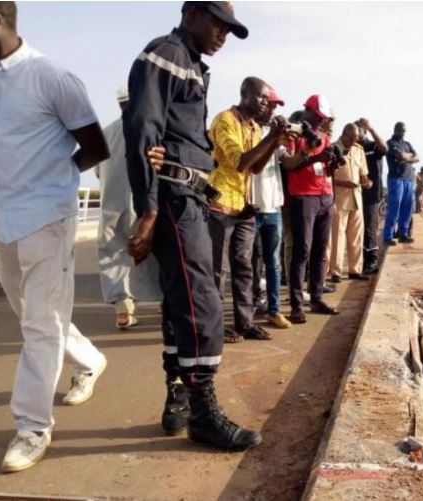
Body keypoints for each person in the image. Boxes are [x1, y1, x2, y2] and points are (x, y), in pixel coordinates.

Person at [123, 1, 261, 450]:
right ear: (192, 13)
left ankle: (178, 399)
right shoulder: (166, 54)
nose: (223, 34)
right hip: (173, 200)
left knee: (181, 300)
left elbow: (179, 138)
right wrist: (147, 210)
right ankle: (203, 412)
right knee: (201, 298)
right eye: (218, 24)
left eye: (229, 29)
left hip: (190, 195)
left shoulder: (192, 65)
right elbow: (142, 131)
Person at [0, 1, 109, 472]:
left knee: (39, 324)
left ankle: (32, 426)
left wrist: (52, 175)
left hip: (46, 218)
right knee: (35, 317)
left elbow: (96, 146)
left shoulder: (51, 77)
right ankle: (90, 359)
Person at [206, 76, 290, 342]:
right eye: (262, 97)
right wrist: (272, 138)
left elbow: (255, 167)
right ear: (245, 94)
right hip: (219, 203)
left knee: (244, 267)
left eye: (268, 98)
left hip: (242, 205)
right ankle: (216, 326)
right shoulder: (224, 120)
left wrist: (274, 141)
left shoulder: (254, 127)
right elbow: (240, 162)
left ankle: (244, 323)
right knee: (218, 270)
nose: (266, 102)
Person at [96, 88, 162, 329]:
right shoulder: (152, 129)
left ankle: (123, 308)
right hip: (146, 204)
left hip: (112, 206)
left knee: (114, 254)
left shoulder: (105, 133)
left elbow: (97, 171)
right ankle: (165, 301)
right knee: (155, 252)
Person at [281, 95, 340, 324]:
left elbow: (324, 167)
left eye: (323, 118)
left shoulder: (324, 135)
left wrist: (330, 161)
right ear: (308, 110)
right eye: (318, 116)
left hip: (324, 196)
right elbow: (289, 163)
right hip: (303, 197)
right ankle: (297, 305)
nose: (320, 121)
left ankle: (316, 298)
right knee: (301, 251)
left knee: (320, 251)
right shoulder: (294, 133)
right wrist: (312, 155)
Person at [250, 86, 292, 329]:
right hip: (251, 205)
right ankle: (250, 306)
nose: (273, 109)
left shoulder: (275, 134)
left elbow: (288, 161)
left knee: (272, 262)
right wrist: (273, 139)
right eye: (271, 105)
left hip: (273, 205)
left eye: (275, 106)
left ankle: (274, 311)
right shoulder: (248, 130)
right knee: (248, 262)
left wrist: (306, 152)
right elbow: (252, 164)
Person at [328, 124, 372, 282]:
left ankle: (355, 269)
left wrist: (367, 182)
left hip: (357, 197)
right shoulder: (332, 148)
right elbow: (327, 176)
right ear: (344, 134)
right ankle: (335, 272)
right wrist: (343, 183)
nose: (354, 142)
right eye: (352, 138)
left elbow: (363, 174)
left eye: (357, 139)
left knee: (356, 236)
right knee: (337, 237)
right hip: (339, 198)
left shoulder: (358, 150)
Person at [355, 118, 388, 274]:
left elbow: (384, 148)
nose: (355, 132)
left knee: (370, 226)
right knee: (357, 229)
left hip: (371, 193)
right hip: (355, 192)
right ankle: (361, 260)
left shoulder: (371, 146)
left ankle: (372, 260)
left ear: (364, 131)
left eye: (359, 129)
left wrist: (371, 128)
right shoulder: (353, 148)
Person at [384, 122, 420, 245]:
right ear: (395, 129)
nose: (402, 132)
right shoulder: (390, 143)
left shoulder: (407, 144)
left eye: (404, 130)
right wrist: (409, 157)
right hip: (396, 179)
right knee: (394, 207)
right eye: (400, 130)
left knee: (407, 207)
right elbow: (400, 155)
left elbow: (418, 157)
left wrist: (407, 157)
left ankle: (403, 234)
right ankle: (388, 236)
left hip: (409, 179)